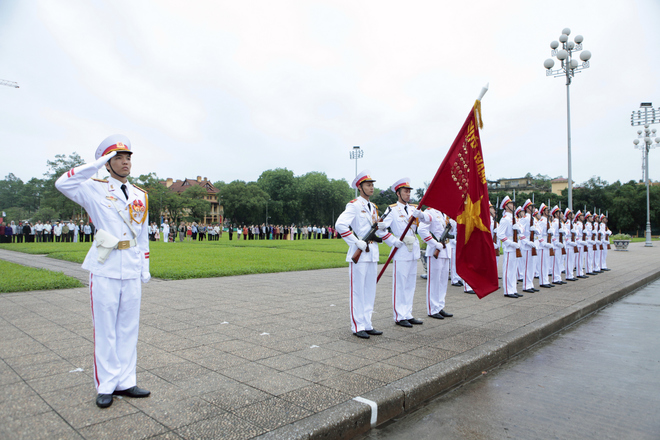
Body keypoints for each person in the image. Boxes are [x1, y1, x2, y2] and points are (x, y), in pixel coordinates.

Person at [55, 134, 151, 409]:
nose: (125, 163)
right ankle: (107, 385)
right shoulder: (92, 188)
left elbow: (142, 235)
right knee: (106, 328)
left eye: (128, 158)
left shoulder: (140, 195)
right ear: (107, 163)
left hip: (131, 264)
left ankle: (126, 381)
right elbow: (62, 182)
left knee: (128, 328)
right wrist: (97, 163)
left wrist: (145, 267)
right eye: (118, 158)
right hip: (106, 264)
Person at [335, 170, 384, 339]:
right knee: (358, 291)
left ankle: (367, 323)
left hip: (371, 253)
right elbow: (340, 225)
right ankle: (358, 326)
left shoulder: (373, 207)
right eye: (368, 185)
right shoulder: (354, 205)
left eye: (372, 185)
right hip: (359, 253)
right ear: (360, 187)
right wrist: (355, 242)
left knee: (370, 291)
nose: (371, 188)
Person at [379, 178, 426, 327]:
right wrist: (392, 241)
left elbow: (424, 225)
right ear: (398, 193)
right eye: (405, 191)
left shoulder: (414, 209)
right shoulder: (392, 209)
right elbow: (380, 228)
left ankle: (408, 313)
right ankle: (399, 316)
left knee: (410, 284)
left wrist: (422, 215)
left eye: (409, 191)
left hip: (412, 250)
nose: (408, 194)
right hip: (400, 250)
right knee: (401, 284)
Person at [418, 207, 454, 320]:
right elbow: (422, 230)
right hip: (436, 250)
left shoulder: (445, 213)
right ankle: (432, 309)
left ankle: (439, 306)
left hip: (445, 250)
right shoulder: (430, 212)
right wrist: (434, 243)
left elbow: (452, 231)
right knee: (434, 281)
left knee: (443, 281)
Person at [497, 196, 522, 298]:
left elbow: (522, 231)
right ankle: (508, 291)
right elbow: (500, 234)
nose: (513, 205)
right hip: (510, 246)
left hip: (516, 245)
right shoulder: (505, 219)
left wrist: (519, 229)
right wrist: (511, 243)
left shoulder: (514, 218)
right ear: (506, 207)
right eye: (511, 204)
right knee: (508, 269)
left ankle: (513, 289)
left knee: (514, 269)